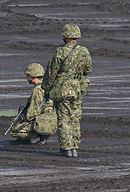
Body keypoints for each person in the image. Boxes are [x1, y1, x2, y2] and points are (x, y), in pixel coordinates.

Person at [42, 23, 92, 158]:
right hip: (77, 89)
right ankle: (74, 147)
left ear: (66, 36)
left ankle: (66, 148)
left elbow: (51, 73)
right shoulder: (84, 51)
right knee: (75, 118)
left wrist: (46, 88)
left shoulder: (60, 52)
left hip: (63, 89)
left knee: (64, 118)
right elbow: (88, 70)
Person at [8, 63, 57, 145]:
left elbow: (33, 112)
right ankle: (42, 135)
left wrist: (21, 120)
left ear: (31, 76)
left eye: (27, 75)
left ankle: (35, 136)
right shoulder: (48, 86)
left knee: (15, 131)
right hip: (52, 121)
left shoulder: (37, 90)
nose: (27, 78)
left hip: (42, 122)